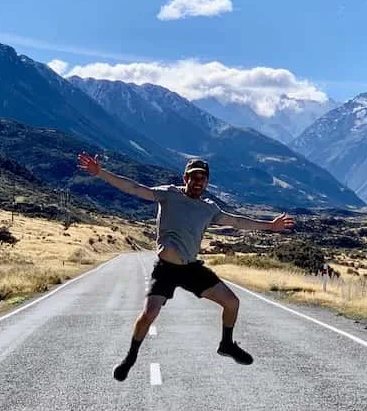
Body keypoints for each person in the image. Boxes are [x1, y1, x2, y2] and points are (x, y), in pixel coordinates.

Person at [77, 153, 296, 380]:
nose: (197, 181)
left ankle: (227, 344)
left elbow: (238, 221)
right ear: (185, 178)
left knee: (232, 303)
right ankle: (130, 358)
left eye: (202, 178)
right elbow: (134, 188)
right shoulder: (169, 195)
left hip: (191, 268)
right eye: (193, 177)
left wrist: (270, 226)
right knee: (149, 314)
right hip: (165, 269)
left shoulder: (209, 209)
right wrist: (100, 173)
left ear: (207, 182)